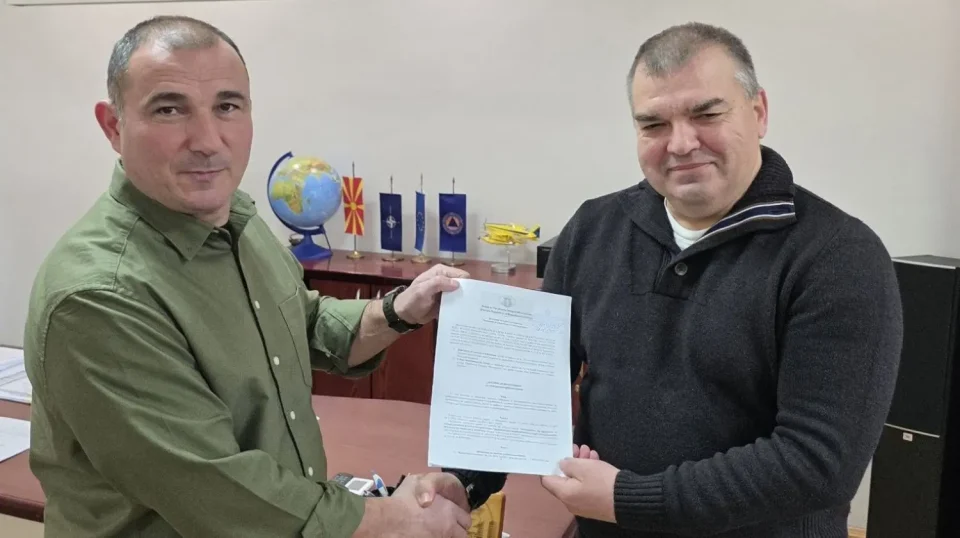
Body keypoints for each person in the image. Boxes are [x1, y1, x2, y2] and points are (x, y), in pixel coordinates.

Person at [23, 15, 474, 538]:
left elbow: (303, 324)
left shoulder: (236, 221)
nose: (207, 140)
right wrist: (389, 518)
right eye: (169, 109)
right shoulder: (100, 297)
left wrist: (398, 310)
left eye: (227, 106)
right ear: (113, 126)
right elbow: (217, 491)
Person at [528, 22, 904, 537]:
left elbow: (819, 463)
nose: (681, 143)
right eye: (653, 124)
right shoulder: (593, 229)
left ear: (759, 112)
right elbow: (531, 380)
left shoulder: (838, 257)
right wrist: (468, 481)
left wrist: (629, 499)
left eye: (706, 114)